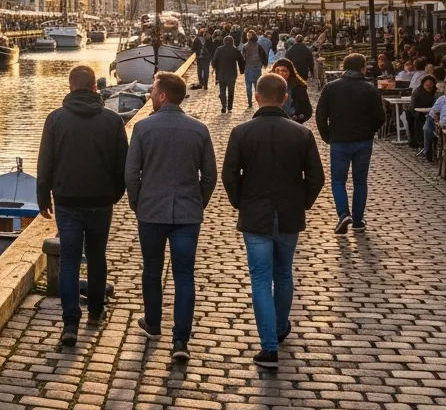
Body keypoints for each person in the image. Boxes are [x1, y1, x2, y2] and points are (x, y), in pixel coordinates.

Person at [222, 73, 325, 369]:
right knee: (283, 274)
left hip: (256, 214)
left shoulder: (241, 132)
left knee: (259, 278)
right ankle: (279, 328)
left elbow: (230, 175)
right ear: (285, 98)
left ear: (256, 97)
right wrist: (302, 202)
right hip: (289, 214)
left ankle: (269, 347)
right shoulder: (301, 134)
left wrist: (241, 202)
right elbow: (316, 178)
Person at [124, 71, 215, 364]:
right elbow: (210, 175)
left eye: (153, 89)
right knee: (184, 275)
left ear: (163, 95)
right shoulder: (199, 130)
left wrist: (138, 203)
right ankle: (180, 340)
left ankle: (153, 323)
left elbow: (131, 174)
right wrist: (198, 202)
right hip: (187, 213)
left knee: (151, 269)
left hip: (151, 210)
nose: (149, 93)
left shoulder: (142, 128)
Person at [37, 64, 129, 347]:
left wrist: (44, 197)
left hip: (67, 201)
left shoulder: (55, 119)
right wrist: (115, 194)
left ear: (69, 87)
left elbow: (45, 164)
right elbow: (122, 166)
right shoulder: (112, 121)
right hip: (101, 200)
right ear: (94, 87)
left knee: (70, 261)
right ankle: (96, 310)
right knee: (97, 256)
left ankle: (70, 323)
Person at [314, 53, 385, 234]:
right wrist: (369, 131)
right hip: (363, 142)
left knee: (338, 180)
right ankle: (358, 220)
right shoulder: (370, 89)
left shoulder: (331, 88)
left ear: (344, 67)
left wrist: (327, 136)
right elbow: (380, 117)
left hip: (339, 141)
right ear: (363, 68)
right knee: (360, 181)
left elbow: (321, 116)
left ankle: (343, 214)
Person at [270, 58, 312, 123]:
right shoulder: (270, 86)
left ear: (290, 72)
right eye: (277, 70)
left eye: (284, 70)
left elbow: (307, 111)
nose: (280, 73)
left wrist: (297, 120)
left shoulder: (298, 88)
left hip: (292, 125)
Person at [212, 35, 242, 113]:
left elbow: (214, 60)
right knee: (231, 91)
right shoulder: (235, 50)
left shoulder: (219, 49)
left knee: (222, 90)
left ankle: (223, 106)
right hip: (232, 74)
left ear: (224, 41)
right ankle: (229, 107)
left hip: (221, 73)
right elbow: (241, 60)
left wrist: (215, 67)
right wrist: (242, 70)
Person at [241, 31, 265, 109]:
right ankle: (259, 102)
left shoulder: (245, 46)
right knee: (257, 86)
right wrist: (263, 64)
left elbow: (242, 58)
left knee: (248, 86)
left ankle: (249, 102)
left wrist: (242, 67)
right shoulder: (258, 46)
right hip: (257, 67)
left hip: (248, 68)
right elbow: (263, 56)